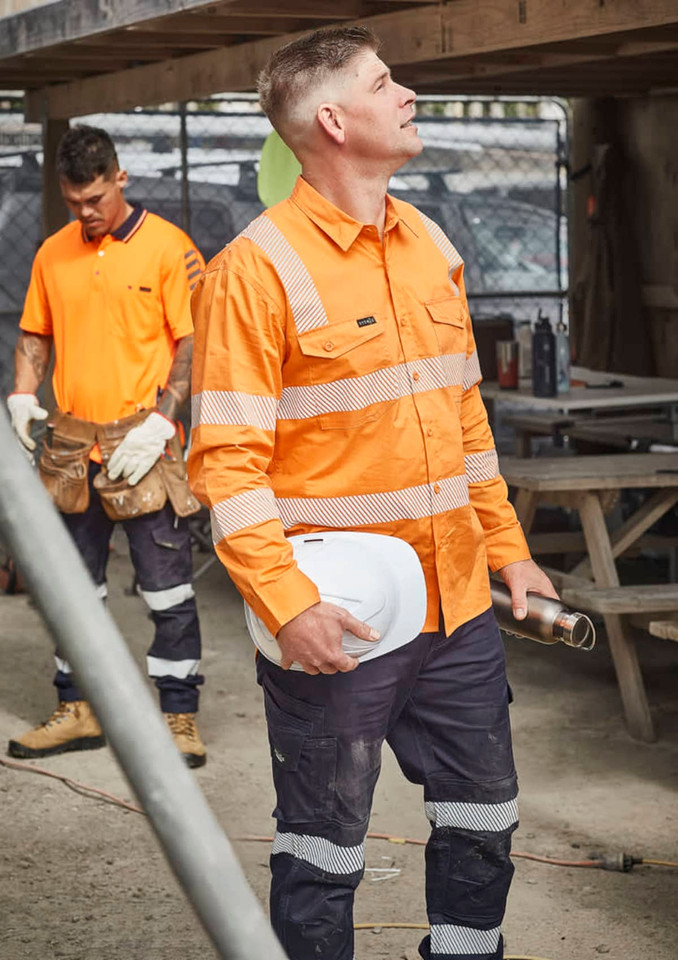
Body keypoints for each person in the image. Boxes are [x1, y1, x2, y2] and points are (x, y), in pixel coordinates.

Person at [188, 25, 558, 960]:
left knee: (485, 819)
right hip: (340, 623)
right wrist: (287, 603)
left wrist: (509, 549)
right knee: (323, 851)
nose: (408, 95)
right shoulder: (255, 270)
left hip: (460, 603)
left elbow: (465, 420)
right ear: (333, 119)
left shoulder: (430, 241)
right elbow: (224, 464)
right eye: (384, 82)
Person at [7, 125, 207, 768]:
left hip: (142, 446)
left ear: (120, 178)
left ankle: (179, 718)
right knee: (73, 588)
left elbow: (192, 343)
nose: (86, 214)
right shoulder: (53, 252)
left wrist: (162, 422)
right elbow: (36, 331)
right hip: (71, 446)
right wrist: (21, 391)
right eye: (74, 204)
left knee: (166, 591)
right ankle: (79, 707)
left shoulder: (169, 250)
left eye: (95, 199)